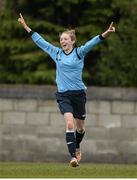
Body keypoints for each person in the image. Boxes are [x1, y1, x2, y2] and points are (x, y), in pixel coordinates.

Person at [18, 13, 115, 167]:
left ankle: (77, 146)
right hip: (63, 95)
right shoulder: (56, 53)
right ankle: (73, 157)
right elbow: (40, 41)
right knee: (70, 124)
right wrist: (25, 26)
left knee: (81, 128)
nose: (62, 41)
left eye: (65, 39)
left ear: (72, 41)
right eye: (61, 39)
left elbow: (93, 42)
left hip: (79, 95)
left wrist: (106, 33)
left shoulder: (79, 53)